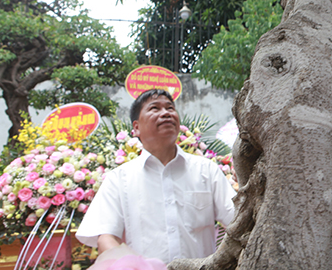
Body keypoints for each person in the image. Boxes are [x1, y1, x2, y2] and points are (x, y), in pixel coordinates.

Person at [76, 89, 236, 263]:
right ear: (136, 127)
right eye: (154, 108)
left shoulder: (206, 170)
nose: (166, 113)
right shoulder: (119, 179)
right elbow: (106, 238)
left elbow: (237, 221)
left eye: (170, 108)